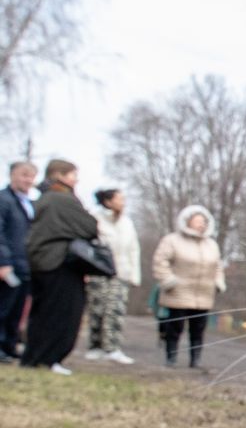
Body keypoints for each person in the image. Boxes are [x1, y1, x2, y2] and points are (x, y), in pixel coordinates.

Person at [21, 159, 101, 375]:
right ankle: (49, 358)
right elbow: (90, 226)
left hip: (40, 264)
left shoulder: (43, 199)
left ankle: (34, 357)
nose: (76, 180)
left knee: (41, 313)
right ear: (59, 175)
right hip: (59, 264)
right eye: (73, 175)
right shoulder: (62, 199)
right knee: (63, 313)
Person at [152, 204, 225, 370]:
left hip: (203, 294)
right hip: (178, 293)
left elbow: (218, 266)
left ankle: (195, 359)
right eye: (197, 220)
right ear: (187, 221)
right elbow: (160, 262)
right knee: (175, 327)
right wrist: (168, 280)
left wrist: (218, 282)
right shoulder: (172, 240)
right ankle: (171, 358)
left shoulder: (211, 244)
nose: (201, 224)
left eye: (203, 221)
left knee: (198, 329)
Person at [84, 187, 142, 364]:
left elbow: (134, 249)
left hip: (121, 272)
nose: (123, 203)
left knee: (115, 310)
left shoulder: (127, 222)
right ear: (108, 201)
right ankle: (95, 346)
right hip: (98, 272)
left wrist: (134, 274)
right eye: (120, 199)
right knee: (97, 309)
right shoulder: (94, 219)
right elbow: (87, 246)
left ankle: (113, 347)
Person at [0, 160, 34, 360]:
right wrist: (3, 262)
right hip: (8, 263)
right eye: (23, 175)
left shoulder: (27, 203)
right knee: (3, 307)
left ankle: (9, 345)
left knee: (17, 309)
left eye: (30, 176)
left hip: (25, 265)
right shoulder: (4, 200)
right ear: (12, 175)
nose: (28, 180)